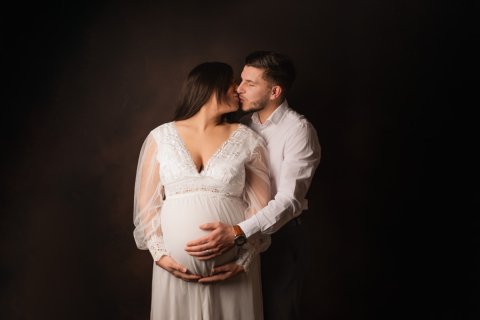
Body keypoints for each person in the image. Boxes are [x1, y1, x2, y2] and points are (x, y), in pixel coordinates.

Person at [185, 51, 321, 320]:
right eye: (241, 80)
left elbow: (289, 202)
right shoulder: (242, 126)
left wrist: (238, 232)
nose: (239, 89)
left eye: (250, 83)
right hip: (237, 240)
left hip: (280, 239)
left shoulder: (299, 131)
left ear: (274, 91)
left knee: (276, 313)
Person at [133, 62, 272, 319]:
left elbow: (261, 207)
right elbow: (146, 203)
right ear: (211, 86)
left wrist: (244, 260)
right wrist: (160, 255)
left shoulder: (248, 139)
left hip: (233, 269)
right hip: (174, 272)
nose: (240, 90)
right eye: (234, 83)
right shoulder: (161, 137)